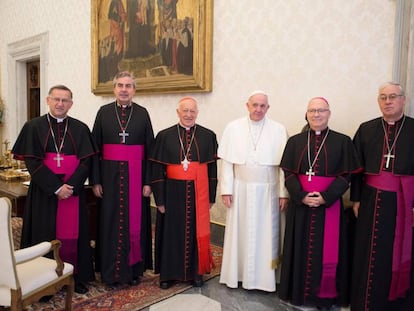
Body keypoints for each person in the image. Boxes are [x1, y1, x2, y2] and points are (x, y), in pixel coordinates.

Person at [12, 85, 97, 294]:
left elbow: (87, 162)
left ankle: (76, 276)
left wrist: (72, 186)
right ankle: (43, 280)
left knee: (75, 234)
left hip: (73, 192)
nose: (60, 104)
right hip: (44, 193)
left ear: (71, 103)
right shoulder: (33, 127)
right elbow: (32, 162)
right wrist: (57, 187)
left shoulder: (80, 128)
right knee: (43, 234)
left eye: (65, 100)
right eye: (56, 99)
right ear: (48, 101)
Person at [278, 97, 361, 309]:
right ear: (306, 114)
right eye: (312, 111)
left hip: (329, 206)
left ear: (328, 113)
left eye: (321, 110)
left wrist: (327, 196)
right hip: (300, 205)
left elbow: (347, 175)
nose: (316, 114)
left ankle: (325, 298)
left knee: (327, 251)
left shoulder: (342, 141)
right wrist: (300, 195)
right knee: (300, 248)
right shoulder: (295, 141)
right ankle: (299, 294)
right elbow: (288, 173)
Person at [350, 82, 414, 311]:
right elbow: (355, 169)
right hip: (370, 202)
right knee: (368, 254)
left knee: (396, 254)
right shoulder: (366, 129)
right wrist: (356, 198)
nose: (388, 101)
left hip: (405, 205)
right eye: (383, 97)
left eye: (393, 97)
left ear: (403, 100)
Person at [218, 90, 289, 292]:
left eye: (263, 106)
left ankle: (267, 278)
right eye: (255, 105)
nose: (258, 109)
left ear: (268, 108)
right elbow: (227, 163)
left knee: (268, 235)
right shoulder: (233, 128)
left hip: (269, 192)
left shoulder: (279, 129)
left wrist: (284, 193)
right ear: (247, 105)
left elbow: (283, 167)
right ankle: (237, 275)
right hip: (240, 190)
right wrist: (226, 190)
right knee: (240, 234)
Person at [90, 71, 154, 286]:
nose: (124, 89)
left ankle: (134, 270)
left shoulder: (143, 114)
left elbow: (149, 152)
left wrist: (147, 182)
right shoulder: (103, 112)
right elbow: (95, 149)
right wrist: (96, 180)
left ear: (134, 90)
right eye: (120, 85)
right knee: (109, 223)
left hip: (136, 179)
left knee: (134, 223)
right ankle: (109, 272)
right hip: (109, 179)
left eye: (128, 86)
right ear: (114, 89)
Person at [150, 97, 218, 289]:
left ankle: (196, 273)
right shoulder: (164, 136)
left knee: (196, 231)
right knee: (170, 233)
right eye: (185, 111)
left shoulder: (208, 135)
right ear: (178, 112)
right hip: (172, 193)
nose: (189, 114)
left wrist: (211, 196)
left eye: (192, 111)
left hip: (199, 192)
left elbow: (212, 170)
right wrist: (160, 199)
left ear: (197, 113)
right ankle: (168, 274)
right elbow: (157, 171)